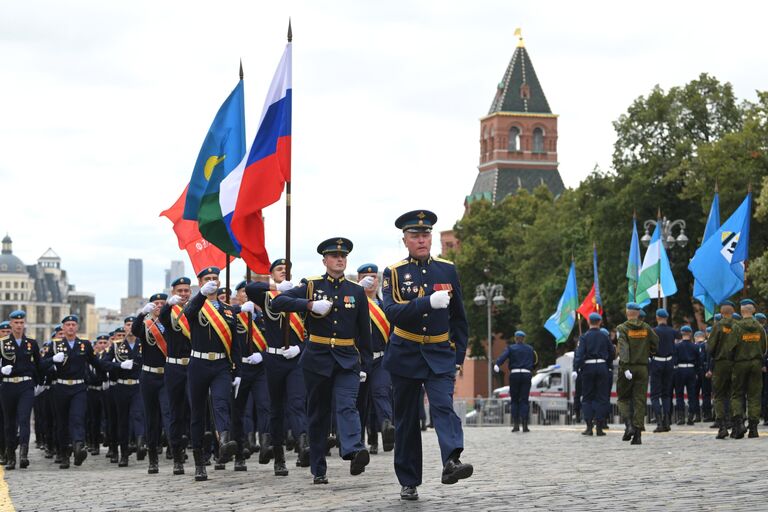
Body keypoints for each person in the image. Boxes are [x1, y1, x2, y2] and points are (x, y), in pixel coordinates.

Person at [381, 210, 471, 501]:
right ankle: (408, 480)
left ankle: (451, 461)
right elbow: (391, 312)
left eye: (426, 235)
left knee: (443, 405)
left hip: (439, 352)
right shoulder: (393, 273)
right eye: (415, 236)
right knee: (407, 420)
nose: (421, 240)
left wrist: (459, 356)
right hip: (405, 352)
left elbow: (459, 317)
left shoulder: (447, 270)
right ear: (405, 240)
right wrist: (425, 302)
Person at [271, 238, 372, 484]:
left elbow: (364, 332)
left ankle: (353, 450)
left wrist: (365, 365)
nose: (339, 259)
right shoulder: (311, 285)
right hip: (317, 358)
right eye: (334, 256)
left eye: (343, 256)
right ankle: (319, 467)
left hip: (347, 359)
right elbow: (278, 302)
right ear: (324, 260)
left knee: (347, 404)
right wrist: (309, 304)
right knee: (318, 413)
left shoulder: (356, 291)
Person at [245, 259, 311, 476]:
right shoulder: (267, 296)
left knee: (297, 403)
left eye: (286, 269)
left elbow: (310, 329)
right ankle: (279, 456)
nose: (284, 271)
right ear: (272, 274)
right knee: (276, 409)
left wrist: (300, 348)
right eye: (279, 269)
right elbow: (250, 288)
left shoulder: (301, 294)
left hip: (295, 359)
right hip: (273, 360)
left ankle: (304, 447)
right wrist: (276, 288)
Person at [183, 266, 240, 482]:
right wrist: (201, 295)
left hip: (221, 365)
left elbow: (235, 343)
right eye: (208, 278)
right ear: (200, 282)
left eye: (215, 278)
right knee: (198, 413)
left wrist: (238, 370)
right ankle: (199, 461)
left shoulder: (228, 310)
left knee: (221, 403)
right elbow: (187, 314)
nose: (212, 281)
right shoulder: (197, 305)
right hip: (198, 363)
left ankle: (224, 441)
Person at [39, 315, 98, 468]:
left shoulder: (84, 345)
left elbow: (96, 363)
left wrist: (117, 368)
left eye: (73, 324)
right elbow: (41, 366)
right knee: (62, 422)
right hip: (61, 388)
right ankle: (64, 454)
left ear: (77, 327)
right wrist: (52, 360)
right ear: (63, 328)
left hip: (79, 388)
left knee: (77, 418)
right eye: (68, 325)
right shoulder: (54, 346)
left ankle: (78, 446)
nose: (71, 327)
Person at [230, 280, 270, 472]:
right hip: (240, 369)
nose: (245, 296)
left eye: (248, 293)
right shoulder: (233, 316)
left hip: (260, 368)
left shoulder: (264, 317)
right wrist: (239, 312)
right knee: (239, 411)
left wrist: (261, 355)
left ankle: (265, 446)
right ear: (237, 296)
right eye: (242, 293)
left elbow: (274, 341)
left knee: (264, 406)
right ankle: (240, 450)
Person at [356, 263, 395, 452]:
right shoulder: (353, 303)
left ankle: (387, 426)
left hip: (381, 359)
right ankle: (358, 441)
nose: (371, 281)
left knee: (381, 392)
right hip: (359, 361)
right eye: (366, 277)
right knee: (360, 402)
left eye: (374, 277)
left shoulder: (385, 305)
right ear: (359, 280)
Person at [134, 293, 173, 474]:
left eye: (162, 303)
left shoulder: (171, 321)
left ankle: (176, 454)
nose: (158, 306)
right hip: (149, 376)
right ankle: (153, 459)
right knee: (151, 419)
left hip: (166, 376)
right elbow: (135, 331)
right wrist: (142, 314)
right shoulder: (146, 325)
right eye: (155, 303)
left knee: (168, 414)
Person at [159, 276, 193, 475]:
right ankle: (177, 457)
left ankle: (201, 454)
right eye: (179, 291)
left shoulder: (195, 308)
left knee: (196, 410)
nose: (183, 294)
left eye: (186, 291)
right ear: (173, 293)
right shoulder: (169, 311)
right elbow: (163, 319)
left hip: (193, 366)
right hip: (173, 368)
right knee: (175, 413)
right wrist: (166, 306)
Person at [102, 316, 145, 467]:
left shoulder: (143, 343)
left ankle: (140, 443)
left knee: (138, 414)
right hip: (121, 387)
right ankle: (124, 453)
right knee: (123, 421)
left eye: (134, 324)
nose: (131, 327)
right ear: (124, 327)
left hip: (138, 386)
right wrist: (119, 366)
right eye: (128, 325)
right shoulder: (116, 346)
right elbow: (104, 364)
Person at [0, 310, 40, 469]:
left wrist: (39, 383)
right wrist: (1, 371)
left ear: (24, 324)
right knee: (9, 423)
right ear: (11, 324)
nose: (19, 325)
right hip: (8, 385)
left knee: (24, 419)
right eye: (16, 323)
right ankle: (11, 456)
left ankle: (23, 453)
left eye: (21, 322)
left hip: (25, 385)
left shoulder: (31, 343)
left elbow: (39, 365)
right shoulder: (2, 343)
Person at [616, 302, 659, 445]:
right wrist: (650, 353)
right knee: (639, 400)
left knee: (623, 398)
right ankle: (638, 435)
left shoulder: (622, 328)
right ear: (638, 313)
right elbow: (656, 342)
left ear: (627, 313)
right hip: (642, 368)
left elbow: (623, 348)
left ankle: (629, 426)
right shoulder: (646, 328)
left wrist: (625, 366)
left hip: (628, 368)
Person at [730, 299, 767, 439]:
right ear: (753, 311)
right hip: (756, 364)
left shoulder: (737, 327)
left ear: (741, 311)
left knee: (737, 394)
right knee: (754, 395)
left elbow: (730, 348)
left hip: (740, 363)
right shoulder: (760, 327)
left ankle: (738, 423)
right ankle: (753, 428)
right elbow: (764, 348)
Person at [572, 313, 613, 436]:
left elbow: (579, 355)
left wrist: (576, 368)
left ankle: (589, 427)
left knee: (587, 398)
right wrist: (607, 364)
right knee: (601, 397)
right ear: (600, 322)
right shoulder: (605, 336)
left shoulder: (584, 337)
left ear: (588, 322)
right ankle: (600, 427)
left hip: (588, 367)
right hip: (602, 366)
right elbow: (611, 352)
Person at [495, 331, 538, 432]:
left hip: (514, 374)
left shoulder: (511, 348)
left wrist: (497, 364)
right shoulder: (530, 349)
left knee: (514, 400)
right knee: (524, 400)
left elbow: (503, 356)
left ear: (515, 338)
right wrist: (530, 368)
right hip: (526, 374)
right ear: (524, 338)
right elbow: (535, 361)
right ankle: (525, 425)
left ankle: (516, 425)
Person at [708, 301, 739, 439]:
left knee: (719, 395)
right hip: (735, 363)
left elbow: (710, 347)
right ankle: (737, 425)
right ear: (732, 313)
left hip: (720, 363)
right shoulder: (738, 326)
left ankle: (722, 427)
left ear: (721, 313)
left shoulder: (718, 326)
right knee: (734, 395)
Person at [650, 308, 676, 432]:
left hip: (657, 362)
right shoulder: (672, 331)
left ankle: (659, 422)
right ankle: (667, 421)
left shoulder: (653, 331)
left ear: (657, 317)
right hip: (669, 362)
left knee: (655, 395)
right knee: (666, 394)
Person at [673, 326, 699, 425]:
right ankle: (691, 417)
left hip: (680, 369)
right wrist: (696, 371)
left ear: (681, 333)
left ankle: (681, 417)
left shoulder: (677, 346)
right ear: (690, 334)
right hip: (691, 370)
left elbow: (674, 360)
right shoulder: (695, 346)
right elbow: (698, 361)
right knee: (692, 395)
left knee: (679, 394)